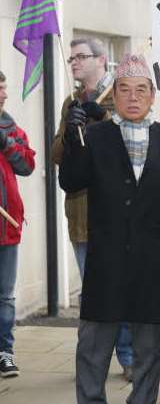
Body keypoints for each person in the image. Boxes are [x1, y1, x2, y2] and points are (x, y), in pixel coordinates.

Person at [59, 53, 160, 404]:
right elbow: (71, 181)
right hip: (106, 261)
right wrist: (72, 137)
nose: (133, 97)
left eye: (141, 90)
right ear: (115, 96)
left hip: (154, 261)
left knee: (148, 351)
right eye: (125, 90)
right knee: (93, 348)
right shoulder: (95, 137)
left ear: (153, 96)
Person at [49, 37, 135, 381]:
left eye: (80, 57)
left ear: (101, 61)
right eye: (71, 58)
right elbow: (57, 156)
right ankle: (94, 359)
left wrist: (102, 122)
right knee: (93, 295)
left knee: (121, 288)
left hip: (116, 216)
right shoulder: (72, 101)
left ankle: (128, 356)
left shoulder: (121, 96)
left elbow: (133, 151)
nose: (73, 63)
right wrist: (70, 132)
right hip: (82, 216)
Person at [0, 71, 35, 378]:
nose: (3, 96)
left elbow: (26, 166)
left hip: (6, 226)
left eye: (3, 89)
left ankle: (5, 352)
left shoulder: (13, 129)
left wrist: (6, 142)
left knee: (5, 296)